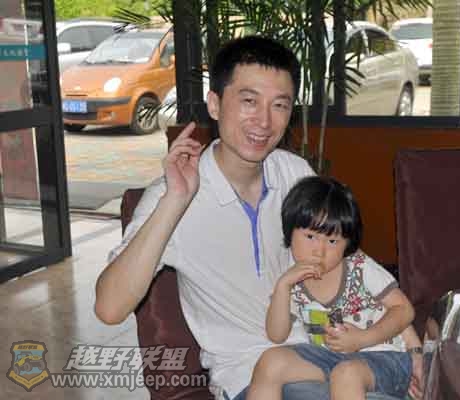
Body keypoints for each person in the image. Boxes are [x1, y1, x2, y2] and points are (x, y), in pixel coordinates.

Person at [94, 35, 418, 400]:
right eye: (249, 101)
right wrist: (176, 201)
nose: (264, 121)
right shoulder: (172, 196)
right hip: (251, 375)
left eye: (279, 105)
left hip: (327, 356)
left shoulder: (293, 172)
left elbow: (345, 262)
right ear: (215, 104)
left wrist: (412, 346)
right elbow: (110, 308)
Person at [246, 176, 424, 400]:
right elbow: (276, 334)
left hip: (384, 357)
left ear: (347, 244)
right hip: (330, 357)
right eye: (310, 236)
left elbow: (404, 310)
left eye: (332, 241)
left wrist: (362, 339)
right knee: (270, 362)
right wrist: (283, 287)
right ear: (290, 232)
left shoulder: (358, 266)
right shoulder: (292, 277)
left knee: (346, 374)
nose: (319, 251)